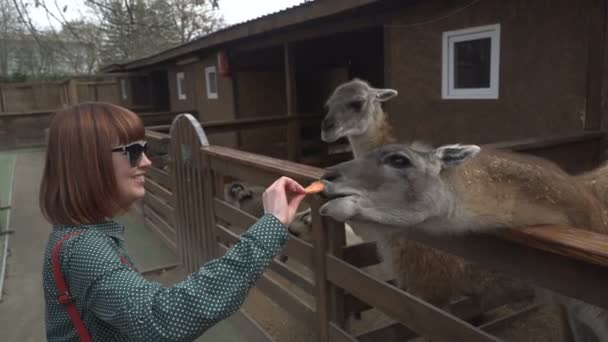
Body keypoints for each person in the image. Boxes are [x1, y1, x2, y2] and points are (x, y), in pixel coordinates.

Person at [40, 102, 307, 341]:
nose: (146, 161)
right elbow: (161, 319)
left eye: (144, 149)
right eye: (133, 151)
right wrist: (270, 226)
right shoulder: (84, 248)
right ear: (89, 163)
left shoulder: (83, 236)